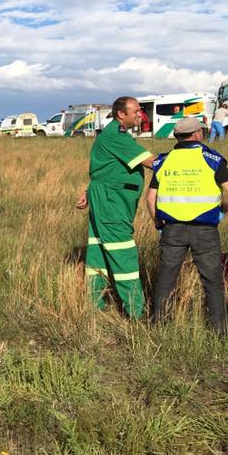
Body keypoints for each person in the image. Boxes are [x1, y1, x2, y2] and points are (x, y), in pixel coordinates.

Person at [146, 117, 228, 334]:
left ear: (177, 137)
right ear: (198, 134)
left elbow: (150, 197)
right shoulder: (212, 158)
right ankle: (218, 332)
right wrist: (221, 212)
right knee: (212, 280)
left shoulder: (163, 161)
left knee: (166, 278)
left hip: (172, 229)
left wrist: (157, 221)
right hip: (205, 229)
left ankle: (159, 326)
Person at [76, 96, 156, 318]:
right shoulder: (116, 136)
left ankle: (96, 305)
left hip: (107, 199)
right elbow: (152, 162)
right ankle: (136, 311)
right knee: (123, 253)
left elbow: (102, 169)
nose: (141, 115)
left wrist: (88, 191)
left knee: (98, 253)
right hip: (111, 203)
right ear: (121, 114)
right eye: (137, 112)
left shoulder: (115, 134)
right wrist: (185, 158)